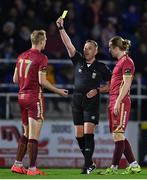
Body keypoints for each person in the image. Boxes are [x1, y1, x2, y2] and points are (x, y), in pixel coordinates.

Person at [56, 17, 111, 174]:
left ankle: (86, 166)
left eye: (89, 48)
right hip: (77, 100)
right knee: (78, 135)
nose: (86, 50)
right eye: (85, 48)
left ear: (95, 51)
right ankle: (90, 163)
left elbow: (111, 84)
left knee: (88, 133)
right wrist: (61, 28)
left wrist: (98, 90)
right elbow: (68, 44)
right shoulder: (78, 60)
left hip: (91, 101)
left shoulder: (101, 67)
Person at [11, 30, 68, 176]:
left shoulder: (21, 56)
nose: (46, 42)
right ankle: (32, 168)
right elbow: (42, 81)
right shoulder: (42, 58)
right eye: (46, 40)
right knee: (34, 136)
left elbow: (15, 80)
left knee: (26, 132)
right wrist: (58, 91)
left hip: (21, 96)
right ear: (41, 41)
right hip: (34, 97)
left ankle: (17, 164)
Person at [100, 36, 141, 175]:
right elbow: (116, 84)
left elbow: (127, 83)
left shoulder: (127, 62)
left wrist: (117, 102)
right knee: (118, 136)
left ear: (116, 48)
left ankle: (114, 167)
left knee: (118, 134)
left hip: (121, 101)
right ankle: (134, 165)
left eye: (110, 47)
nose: (109, 50)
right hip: (114, 100)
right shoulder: (120, 62)